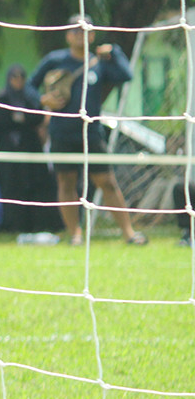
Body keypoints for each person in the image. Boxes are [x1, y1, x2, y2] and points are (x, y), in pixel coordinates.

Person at [29, 14, 147, 246]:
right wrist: (43, 100)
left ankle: (129, 233)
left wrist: (114, 51)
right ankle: (75, 234)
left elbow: (127, 75)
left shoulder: (99, 63)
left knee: (107, 181)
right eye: (75, 30)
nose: (79, 35)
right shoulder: (55, 60)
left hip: (91, 133)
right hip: (62, 132)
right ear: (67, 35)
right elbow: (30, 87)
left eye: (85, 31)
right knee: (66, 182)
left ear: (92, 36)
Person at [0, 64, 62, 233]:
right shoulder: (3, 97)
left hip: (30, 148)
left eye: (21, 77)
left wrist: (23, 118)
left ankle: (39, 224)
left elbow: (36, 118)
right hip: (9, 151)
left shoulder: (30, 97)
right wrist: (19, 119)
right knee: (12, 187)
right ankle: (13, 225)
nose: (18, 81)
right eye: (14, 78)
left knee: (36, 185)